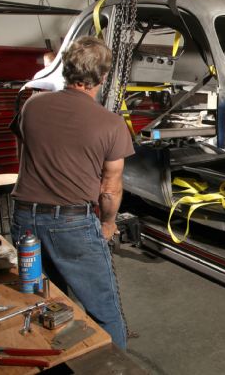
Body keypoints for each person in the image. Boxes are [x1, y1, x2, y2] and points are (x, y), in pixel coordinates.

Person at [10, 36, 134, 349]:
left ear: (66, 70)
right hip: (72, 224)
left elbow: (23, 150)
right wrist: (107, 224)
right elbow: (110, 189)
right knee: (104, 311)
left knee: (45, 301)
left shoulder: (32, 105)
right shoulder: (111, 124)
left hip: (25, 219)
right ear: (103, 77)